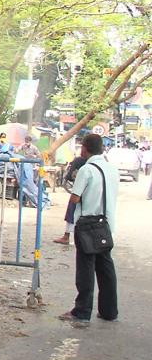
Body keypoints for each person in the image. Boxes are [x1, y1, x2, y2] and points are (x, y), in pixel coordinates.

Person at [58, 133, 118, 323]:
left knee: (86, 269)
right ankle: (109, 311)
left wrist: (77, 181)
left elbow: (75, 198)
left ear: (84, 148)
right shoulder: (112, 169)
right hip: (106, 224)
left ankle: (82, 311)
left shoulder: (87, 169)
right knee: (106, 268)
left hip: (87, 224)